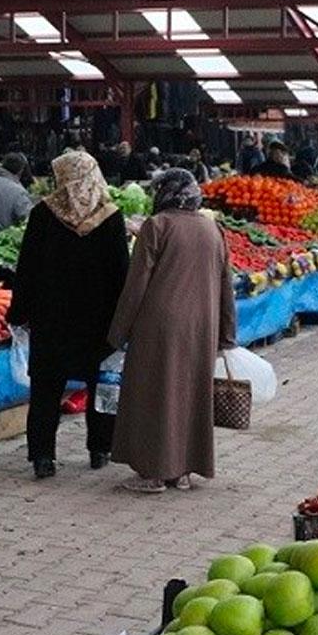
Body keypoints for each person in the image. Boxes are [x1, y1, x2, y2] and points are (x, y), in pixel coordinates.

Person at [107, 168, 236, 493]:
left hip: (159, 325)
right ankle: (182, 471)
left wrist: (117, 332)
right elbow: (226, 287)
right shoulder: (212, 228)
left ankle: (153, 474)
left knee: (154, 394)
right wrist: (227, 334)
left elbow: (136, 285)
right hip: (201, 326)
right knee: (190, 395)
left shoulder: (157, 226)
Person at [7, 150, 129, 479]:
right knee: (99, 384)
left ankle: (43, 456)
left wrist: (19, 312)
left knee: (46, 389)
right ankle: (100, 448)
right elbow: (122, 273)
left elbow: (27, 269)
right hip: (98, 320)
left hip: (52, 318)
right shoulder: (110, 216)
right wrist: (124, 322)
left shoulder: (44, 214)